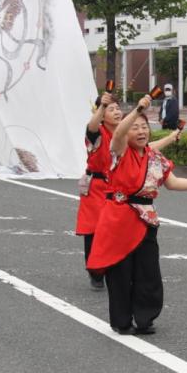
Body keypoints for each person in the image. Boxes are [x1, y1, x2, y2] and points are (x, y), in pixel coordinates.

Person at [86, 95, 187, 334]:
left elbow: (174, 183)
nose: (140, 131)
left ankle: (145, 318)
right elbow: (117, 135)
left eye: (144, 127)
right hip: (118, 219)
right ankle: (122, 320)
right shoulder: (119, 152)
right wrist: (137, 110)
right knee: (120, 272)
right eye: (134, 127)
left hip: (145, 220)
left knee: (148, 272)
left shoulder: (155, 158)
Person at [75, 92, 124, 289]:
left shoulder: (123, 132)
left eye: (117, 108)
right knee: (94, 229)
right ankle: (95, 271)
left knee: (116, 229)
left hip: (116, 186)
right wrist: (102, 106)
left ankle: (114, 267)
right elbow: (91, 127)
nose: (116, 112)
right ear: (102, 114)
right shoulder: (97, 132)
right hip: (96, 186)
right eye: (111, 109)